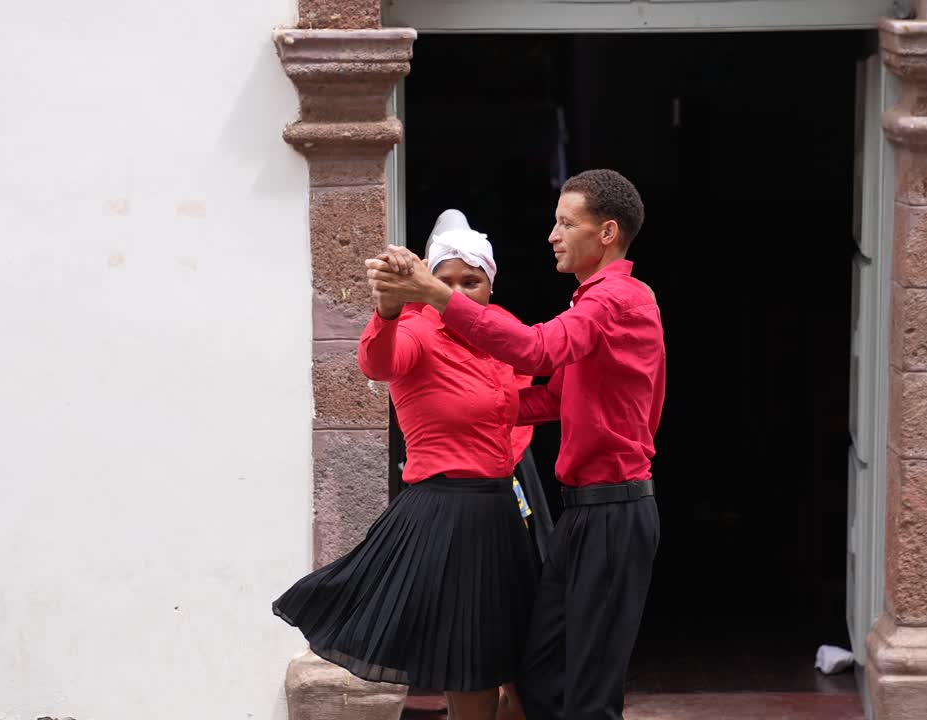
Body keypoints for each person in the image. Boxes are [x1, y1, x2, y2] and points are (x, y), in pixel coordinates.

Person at [366, 169, 665, 720]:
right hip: (578, 512)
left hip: (615, 508)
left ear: (606, 233)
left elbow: (536, 351)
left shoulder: (615, 299)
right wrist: (453, 404)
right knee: (537, 674)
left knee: (589, 693)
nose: (552, 233)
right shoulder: (590, 303)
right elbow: (551, 399)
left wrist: (434, 294)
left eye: (566, 222)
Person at [273, 210, 537, 720]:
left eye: (471, 281)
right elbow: (378, 362)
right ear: (426, 285)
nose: (458, 293)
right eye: (445, 282)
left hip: (500, 511)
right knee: (471, 667)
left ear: (489, 286)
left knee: (512, 663)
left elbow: (521, 401)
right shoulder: (417, 327)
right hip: (446, 514)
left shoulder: (500, 331)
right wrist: (389, 309)